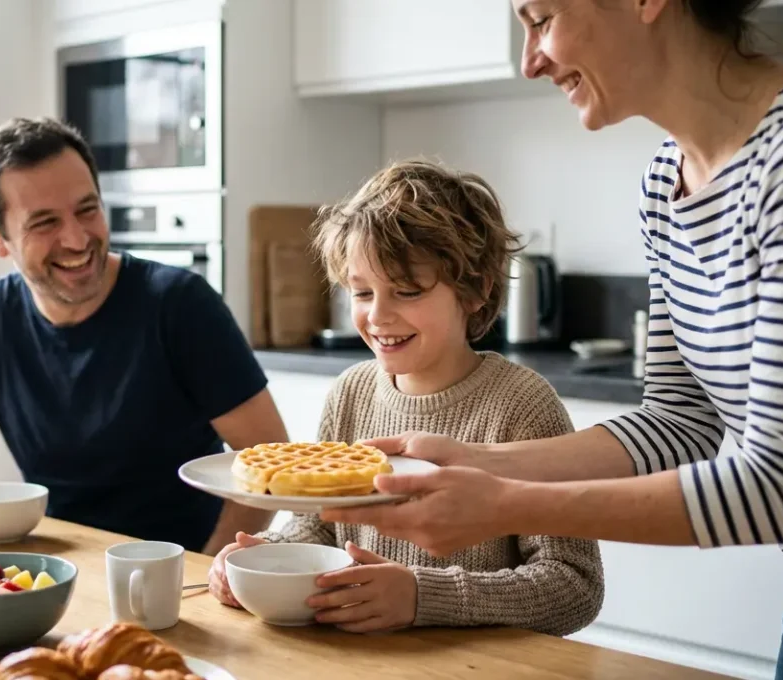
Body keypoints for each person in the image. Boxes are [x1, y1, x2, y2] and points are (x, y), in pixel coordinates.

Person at [323, 1, 783, 676]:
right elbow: (679, 422)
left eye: (542, 17)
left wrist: (506, 504)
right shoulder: (665, 183)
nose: (531, 60)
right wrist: (478, 462)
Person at [0, 117, 286, 554]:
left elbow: (270, 457)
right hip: (55, 566)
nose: (77, 240)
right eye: (44, 223)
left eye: (87, 209)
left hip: (175, 566)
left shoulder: (180, 304)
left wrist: (207, 566)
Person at [208, 160, 604, 635]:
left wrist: (423, 597)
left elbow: (573, 585)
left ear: (475, 289)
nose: (377, 315)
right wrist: (268, 557)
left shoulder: (523, 407)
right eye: (361, 292)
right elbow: (321, 526)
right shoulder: (351, 393)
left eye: (407, 291)